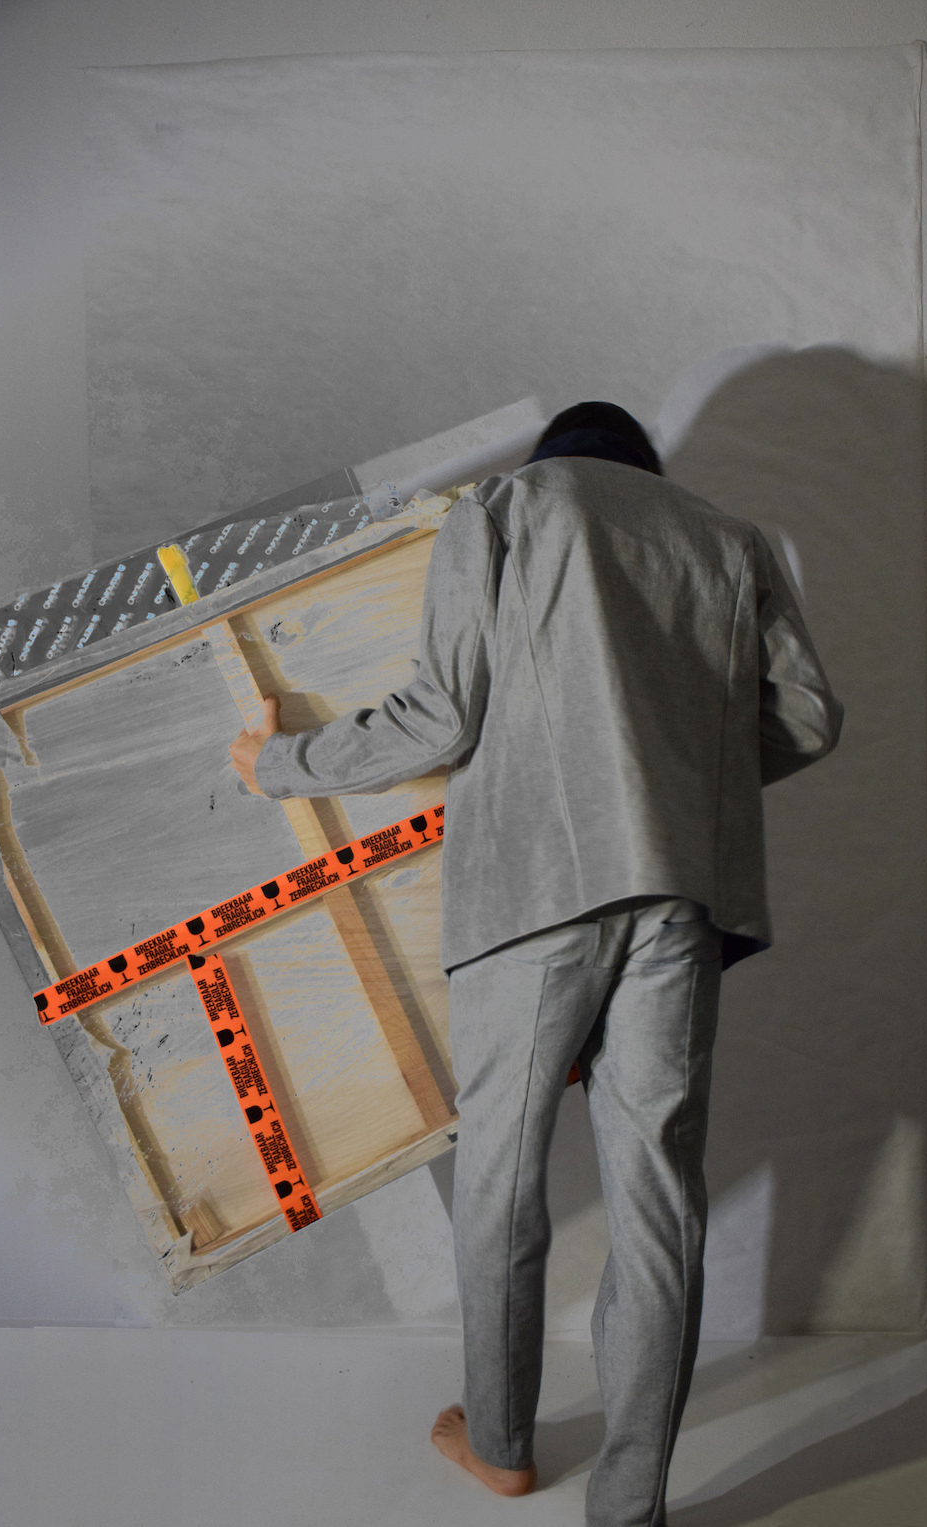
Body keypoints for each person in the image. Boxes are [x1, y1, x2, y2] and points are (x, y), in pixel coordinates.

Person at [228, 400, 843, 1527]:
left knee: (502, 1178)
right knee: (658, 1198)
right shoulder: (730, 540)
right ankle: (630, 1507)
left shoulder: (506, 507)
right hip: (680, 899)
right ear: (646, 469)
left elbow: (440, 716)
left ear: (554, 454)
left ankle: (502, 1443)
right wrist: (677, 766)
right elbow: (806, 716)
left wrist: (280, 762)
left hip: (533, 888)